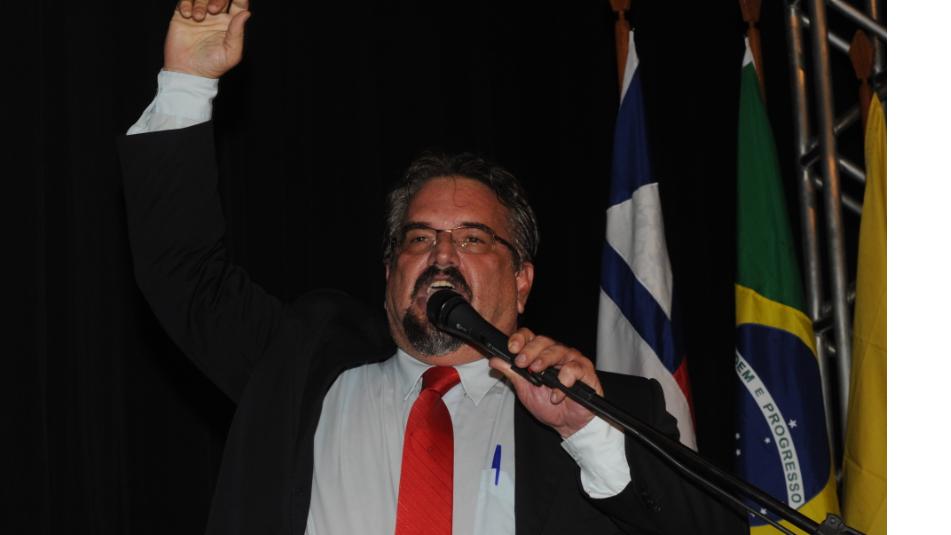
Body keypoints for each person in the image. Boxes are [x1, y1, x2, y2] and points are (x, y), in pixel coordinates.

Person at [118, 1, 745, 533]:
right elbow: (182, 271)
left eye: (473, 239)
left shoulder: (604, 409)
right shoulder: (300, 362)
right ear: (390, 270)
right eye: (420, 238)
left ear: (522, 281)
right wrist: (187, 82)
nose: (442, 255)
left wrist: (588, 434)